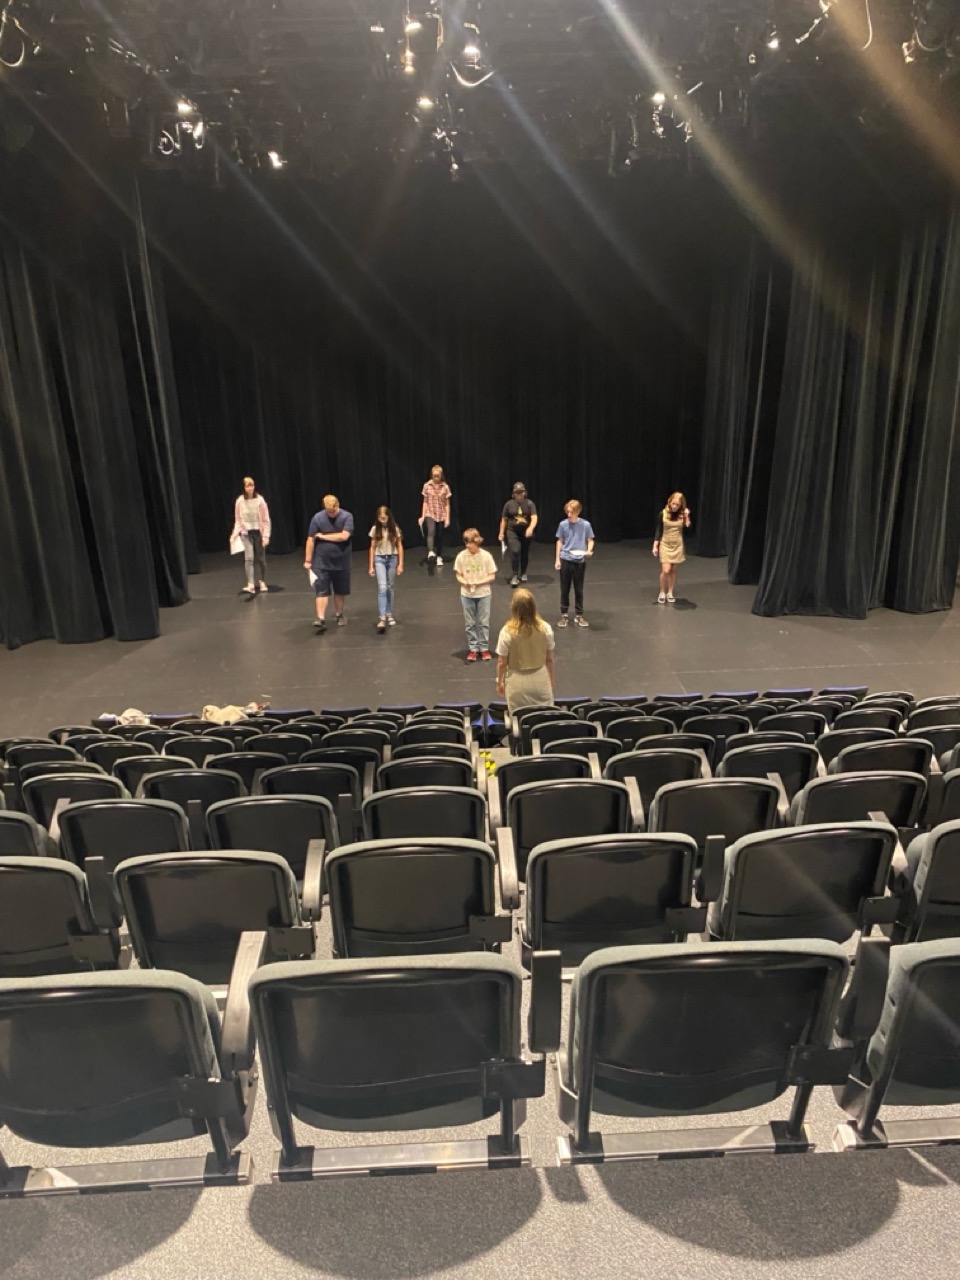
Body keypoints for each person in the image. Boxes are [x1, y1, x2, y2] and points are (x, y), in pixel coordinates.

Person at [495, 588, 556, 714]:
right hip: (540, 678)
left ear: (514, 607)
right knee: (544, 716)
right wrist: (550, 678)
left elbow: (502, 662)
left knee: (519, 719)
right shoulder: (546, 628)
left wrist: (500, 682)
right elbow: (549, 659)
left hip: (516, 681)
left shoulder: (506, 631)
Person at [304, 494, 354, 633]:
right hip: (321, 561)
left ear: (337, 506)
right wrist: (308, 560)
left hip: (341, 561)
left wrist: (323, 536)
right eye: (328, 511)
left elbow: (344, 536)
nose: (331, 514)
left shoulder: (347, 516)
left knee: (340, 590)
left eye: (333, 511)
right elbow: (310, 539)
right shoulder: (317, 518)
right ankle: (320, 618)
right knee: (321, 590)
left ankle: (339, 614)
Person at [454, 528, 497, 662]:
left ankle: (484, 648)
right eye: (466, 543)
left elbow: (492, 575)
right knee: (470, 623)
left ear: (476, 541)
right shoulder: (461, 556)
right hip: (467, 595)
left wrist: (478, 582)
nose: (468, 546)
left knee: (483, 622)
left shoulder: (486, 556)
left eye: (470, 543)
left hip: (483, 594)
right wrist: (465, 582)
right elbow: (458, 574)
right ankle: (473, 648)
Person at [554, 499, 595, 627]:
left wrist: (588, 550)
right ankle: (564, 615)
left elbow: (590, 540)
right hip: (566, 559)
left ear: (578, 512)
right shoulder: (563, 525)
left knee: (579, 589)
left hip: (579, 561)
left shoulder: (585, 525)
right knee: (564, 589)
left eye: (571, 512)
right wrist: (557, 559)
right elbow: (559, 541)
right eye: (568, 512)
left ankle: (579, 615)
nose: (569, 514)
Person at [231, 476, 271, 594]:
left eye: (252, 485)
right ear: (244, 487)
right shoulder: (240, 501)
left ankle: (262, 580)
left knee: (261, 559)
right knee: (249, 558)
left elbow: (266, 519)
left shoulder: (260, 500)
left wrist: (266, 536)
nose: (250, 488)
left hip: (259, 532)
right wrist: (234, 533)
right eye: (248, 485)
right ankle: (250, 583)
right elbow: (238, 519)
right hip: (246, 533)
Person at [368, 505, 404, 633]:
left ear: (388, 516)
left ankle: (389, 613)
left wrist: (400, 564)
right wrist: (370, 565)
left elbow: (399, 546)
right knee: (382, 587)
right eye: (380, 518)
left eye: (384, 518)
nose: (382, 520)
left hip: (392, 558)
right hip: (379, 559)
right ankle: (382, 616)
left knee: (390, 586)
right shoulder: (374, 529)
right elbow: (372, 547)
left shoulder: (394, 528)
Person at [653, 491, 692, 603]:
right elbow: (659, 530)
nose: (674, 506)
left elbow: (688, 526)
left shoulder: (682, 514)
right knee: (666, 570)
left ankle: (670, 592)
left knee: (673, 570)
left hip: (677, 545)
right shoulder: (663, 513)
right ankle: (662, 591)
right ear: (669, 502)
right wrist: (655, 546)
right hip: (665, 543)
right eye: (673, 503)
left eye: (677, 505)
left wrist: (686, 515)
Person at [497, 481, 538, 587]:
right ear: (513, 493)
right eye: (517, 492)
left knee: (525, 551)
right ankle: (515, 574)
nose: (519, 494)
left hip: (526, 532)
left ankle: (523, 572)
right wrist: (501, 533)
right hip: (512, 531)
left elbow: (534, 518)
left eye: (521, 492)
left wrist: (530, 528)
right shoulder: (509, 504)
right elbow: (504, 519)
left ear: (524, 493)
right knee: (515, 550)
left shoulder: (530, 504)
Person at [419, 464, 452, 570]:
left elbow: (447, 504)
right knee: (431, 530)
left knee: (440, 536)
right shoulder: (427, 485)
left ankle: (439, 556)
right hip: (430, 513)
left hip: (441, 514)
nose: (436, 478)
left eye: (438, 476)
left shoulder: (445, 487)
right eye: (434, 476)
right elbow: (425, 502)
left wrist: (447, 518)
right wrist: (422, 516)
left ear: (441, 475)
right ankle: (430, 551)